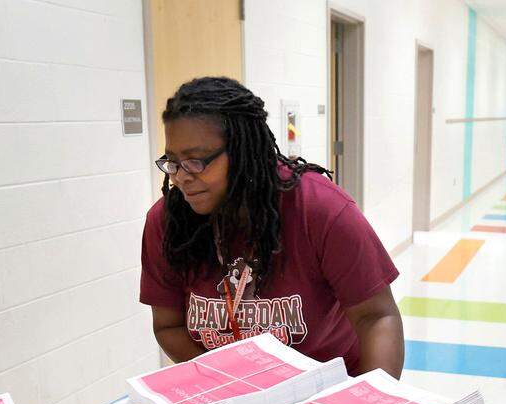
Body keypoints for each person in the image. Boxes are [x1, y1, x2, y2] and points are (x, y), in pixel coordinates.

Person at [140, 77, 405, 378]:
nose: (181, 177)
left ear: (242, 151)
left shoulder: (320, 210)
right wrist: (230, 383)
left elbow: (377, 317)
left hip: (330, 393)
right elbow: (169, 325)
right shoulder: (167, 222)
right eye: (173, 162)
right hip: (231, 396)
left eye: (196, 161)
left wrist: (369, 403)